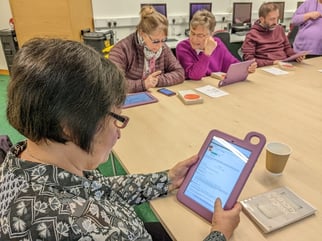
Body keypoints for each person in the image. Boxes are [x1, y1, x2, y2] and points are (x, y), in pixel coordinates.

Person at [0, 38, 242, 241]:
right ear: (69, 128)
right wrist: (219, 233)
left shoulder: (24, 161)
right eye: (115, 118)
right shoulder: (93, 228)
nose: (119, 132)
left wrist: (166, 179)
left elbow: (97, 190)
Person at [109, 5, 184, 93]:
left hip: (156, 97)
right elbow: (114, 84)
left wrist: (157, 80)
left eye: (163, 40)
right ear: (142, 34)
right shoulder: (121, 49)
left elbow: (180, 73)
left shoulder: (163, 47)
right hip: (131, 99)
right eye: (155, 41)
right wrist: (143, 84)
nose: (160, 46)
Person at [176, 10, 256, 80]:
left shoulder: (217, 44)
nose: (194, 39)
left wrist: (246, 68)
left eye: (200, 35)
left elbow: (232, 64)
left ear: (211, 34)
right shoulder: (183, 47)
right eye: (192, 33)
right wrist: (206, 54)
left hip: (213, 87)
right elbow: (195, 76)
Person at [242, 2, 306, 67]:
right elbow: (249, 60)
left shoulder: (279, 29)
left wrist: (295, 56)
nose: (276, 22)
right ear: (262, 19)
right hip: (266, 67)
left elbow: (287, 48)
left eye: (277, 18)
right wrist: (273, 62)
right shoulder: (252, 35)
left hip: (283, 64)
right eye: (272, 19)